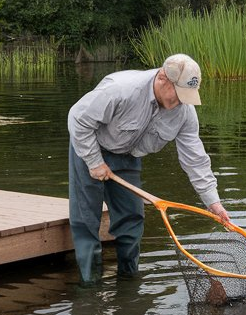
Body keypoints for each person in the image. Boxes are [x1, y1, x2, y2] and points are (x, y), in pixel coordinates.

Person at [67, 53, 230, 284]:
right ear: (163, 78)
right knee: (86, 220)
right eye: (178, 94)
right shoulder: (121, 90)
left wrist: (213, 202)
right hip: (89, 146)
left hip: (128, 157)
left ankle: (128, 284)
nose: (181, 102)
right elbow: (77, 119)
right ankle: (89, 285)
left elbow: (195, 159)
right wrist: (94, 161)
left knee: (132, 221)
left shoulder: (184, 112)